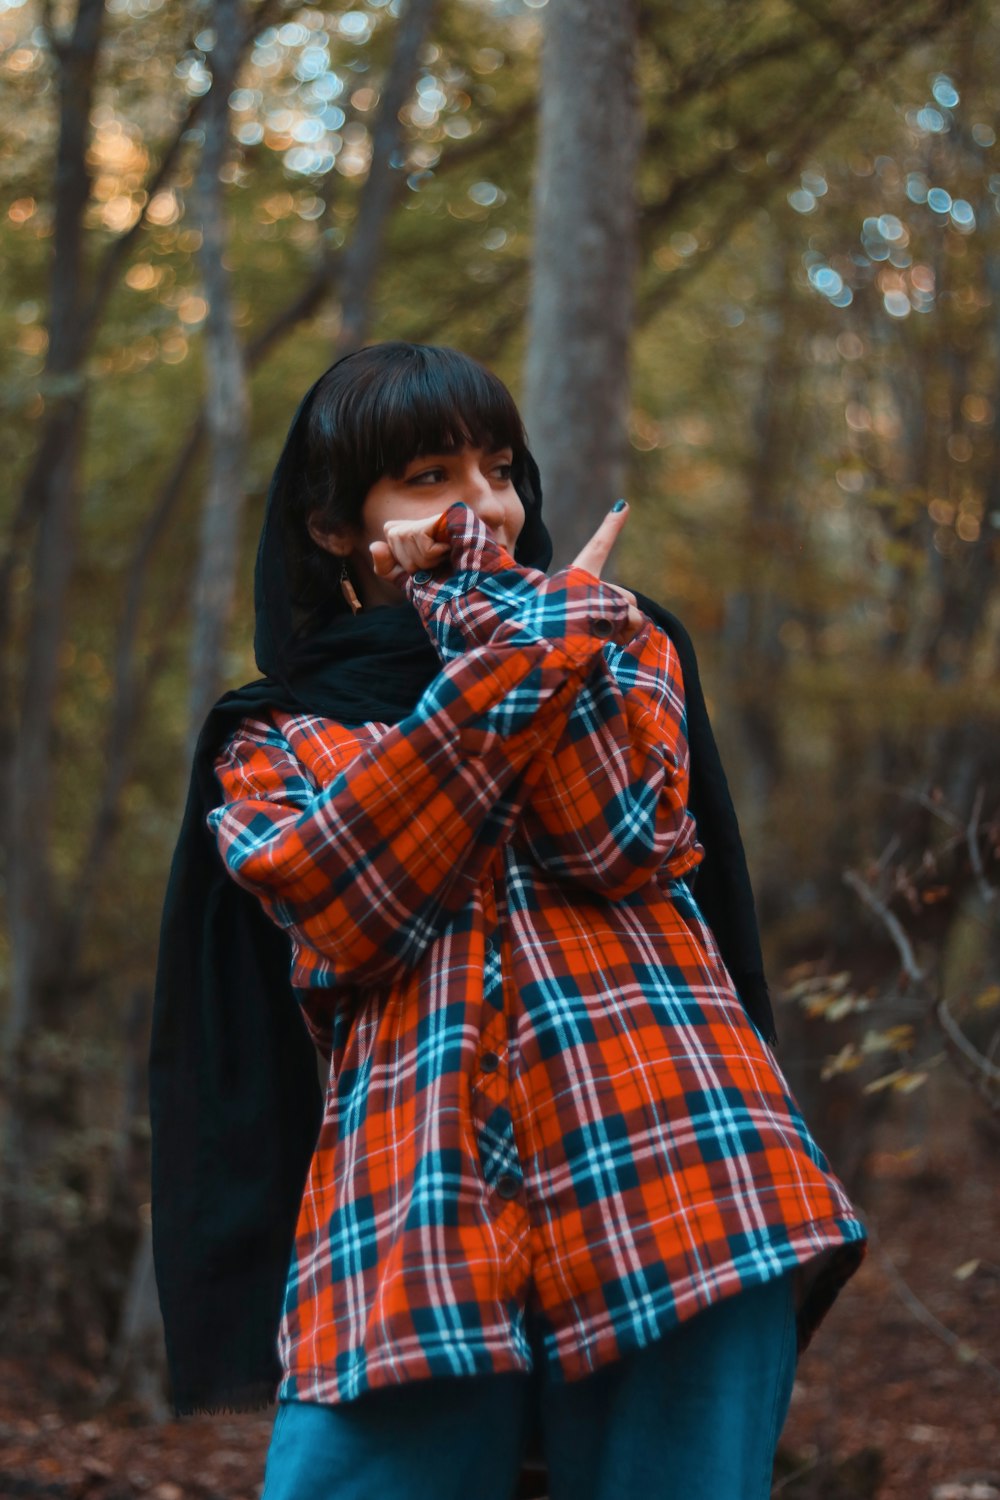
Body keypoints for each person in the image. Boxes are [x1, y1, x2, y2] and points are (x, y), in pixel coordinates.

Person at [150, 342, 868, 1500]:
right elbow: (353, 903)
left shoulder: (625, 639)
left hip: (678, 1173)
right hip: (410, 1216)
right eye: (430, 475)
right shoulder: (272, 733)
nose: (483, 504)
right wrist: (520, 652)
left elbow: (614, 838)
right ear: (338, 528)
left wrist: (524, 628)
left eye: (497, 467)